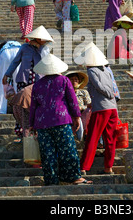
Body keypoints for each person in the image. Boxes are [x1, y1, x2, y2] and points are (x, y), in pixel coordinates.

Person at [29, 53, 92, 185]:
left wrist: (32, 124)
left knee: (47, 152)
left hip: (42, 122)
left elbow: (34, 105)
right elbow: (72, 101)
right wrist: (76, 117)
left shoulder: (37, 85)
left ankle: (51, 179)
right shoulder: (64, 80)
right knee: (67, 149)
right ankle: (73, 176)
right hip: (61, 120)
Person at [3, 26, 53, 139]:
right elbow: (15, 61)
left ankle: (37, 130)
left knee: (36, 106)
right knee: (22, 105)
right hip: (24, 80)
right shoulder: (24, 47)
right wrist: (7, 74)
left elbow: (46, 62)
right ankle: (22, 131)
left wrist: (39, 48)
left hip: (39, 81)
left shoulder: (45, 49)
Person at [76, 44, 119, 175]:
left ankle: (84, 167)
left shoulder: (91, 71)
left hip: (101, 108)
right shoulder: (106, 69)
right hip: (112, 107)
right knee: (110, 139)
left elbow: (98, 86)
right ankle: (108, 167)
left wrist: (108, 93)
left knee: (93, 137)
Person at [0, 41, 22, 114]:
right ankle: (19, 109)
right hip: (19, 51)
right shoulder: (17, 44)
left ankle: (0, 110)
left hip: (5, 54)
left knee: (2, 82)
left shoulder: (1, 49)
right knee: (18, 82)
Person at [66, 71, 91, 138]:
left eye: (76, 80)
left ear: (79, 81)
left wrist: (81, 108)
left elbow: (89, 105)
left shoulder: (83, 92)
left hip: (84, 115)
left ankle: (86, 132)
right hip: (71, 115)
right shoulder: (66, 93)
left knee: (89, 111)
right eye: (71, 79)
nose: (74, 81)